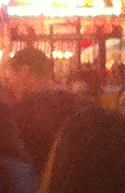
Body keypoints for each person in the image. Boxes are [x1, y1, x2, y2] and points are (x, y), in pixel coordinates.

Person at [4, 46, 76, 180]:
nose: (9, 86)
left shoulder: (22, 114)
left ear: (25, 71)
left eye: (10, 78)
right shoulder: (73, 105)